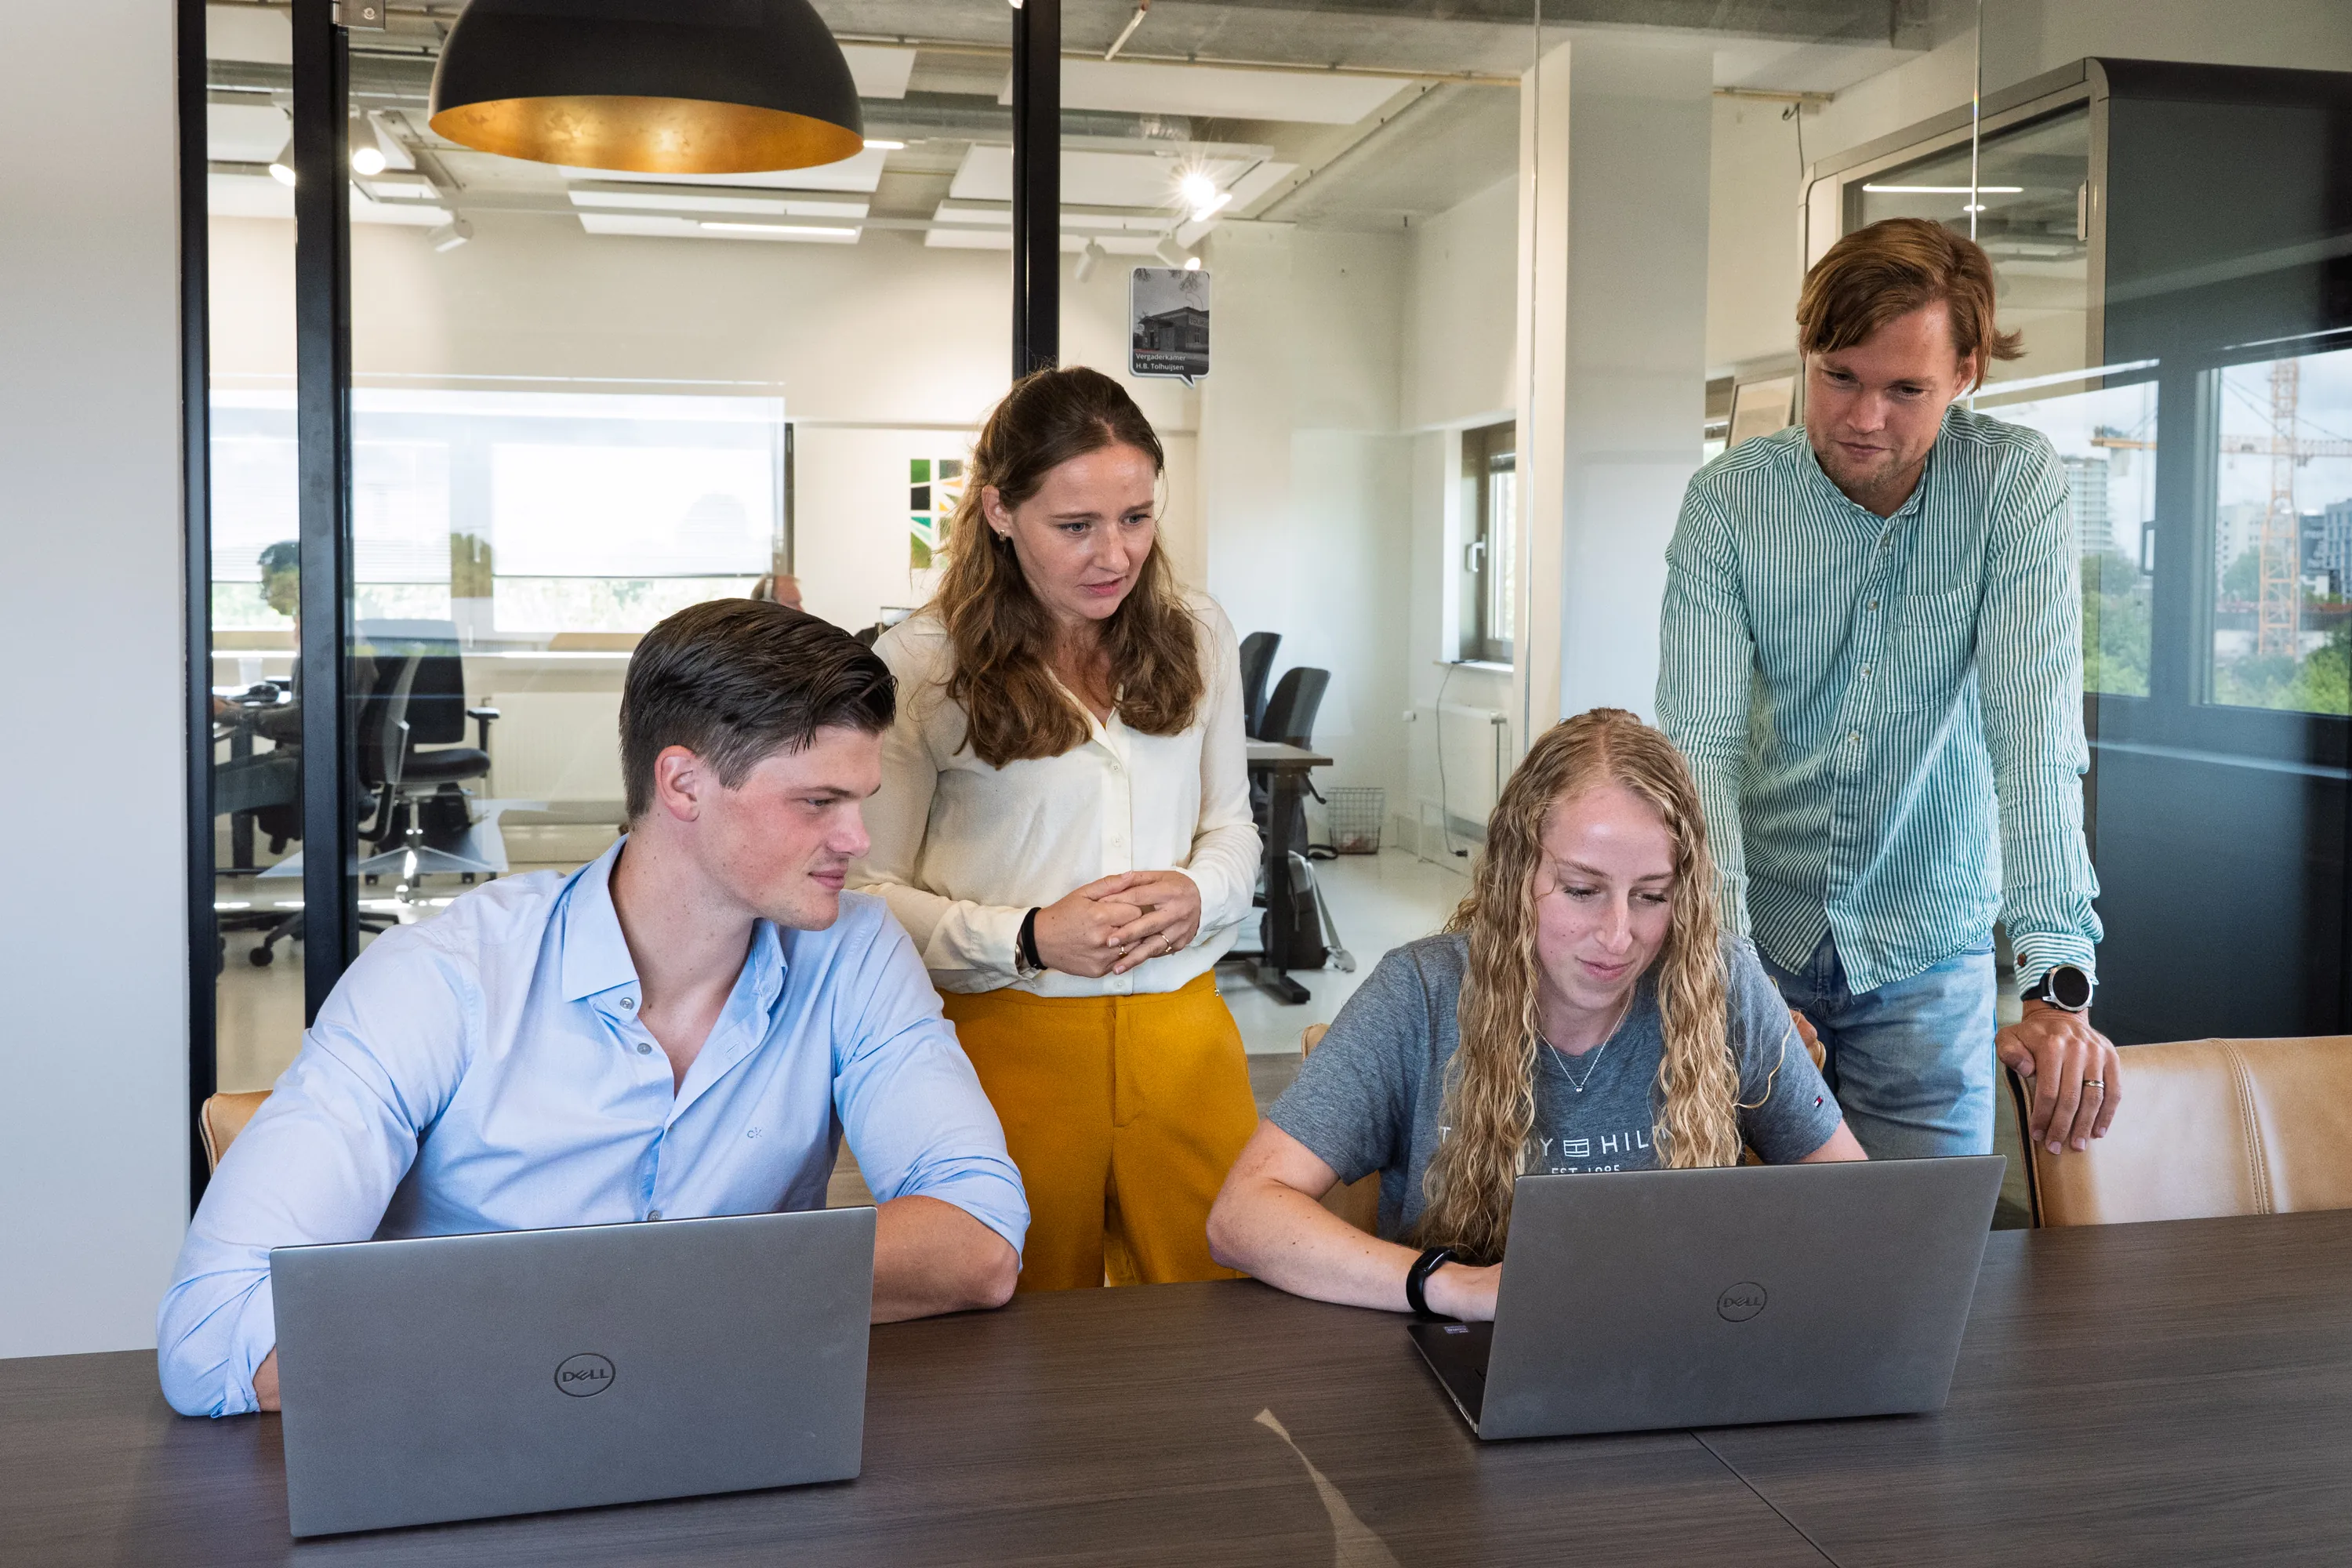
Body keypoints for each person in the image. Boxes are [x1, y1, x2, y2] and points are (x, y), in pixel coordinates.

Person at [160, 599, 1027, 1418]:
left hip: (732, 1428)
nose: (858, 842)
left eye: (859, 801)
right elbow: (214, 1340)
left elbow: (979, 1237)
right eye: (818, 802)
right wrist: (700, 1296)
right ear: (683, 783)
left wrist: (591, 1304)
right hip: (470, 1444)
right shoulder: (439, 980)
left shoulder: (854, 950)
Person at [1657, 216, 2120, 1166]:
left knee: (1919, 1244)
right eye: (1839, 377)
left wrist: (2055, 983)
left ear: (1965, 373)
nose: (1864, 418)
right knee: (1729, 1244)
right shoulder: (1730, 503)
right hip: (1760, 929)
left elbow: (2033, 740)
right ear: (1808, 352)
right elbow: (1701, 750)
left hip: (1928, 944)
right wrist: (1727, 973)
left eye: (1906, 389)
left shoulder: (2012, 486)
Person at [1207, 710, 1864, 1321]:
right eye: (1581, 890)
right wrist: (1449, 1285)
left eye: (1651, 896)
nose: (1618, 936)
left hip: (1677, 1348)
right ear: (1517, 874)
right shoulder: (1421, 993)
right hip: (1465, 1354)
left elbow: (1858, 1207)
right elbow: (1241, 1216)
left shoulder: (1720, 979)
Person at [851, 366, 1260, 1293]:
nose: (1115, 554)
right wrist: (1031, 936)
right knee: (1019, 1329)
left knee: (1223, 1316)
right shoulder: (920, 663)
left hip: (1184, 1033)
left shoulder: (1198, 631)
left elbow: (1232, 827)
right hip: (1004, 1038)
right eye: (1075, 525)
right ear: (1000, 510)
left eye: (1137, 516)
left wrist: (1200, 891)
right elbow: (864, 895)